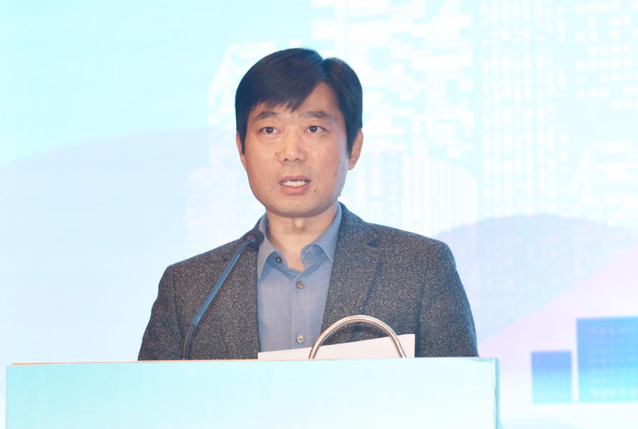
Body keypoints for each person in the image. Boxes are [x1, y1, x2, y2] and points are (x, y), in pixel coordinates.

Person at [139, 48, 477, 360]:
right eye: (269, 130)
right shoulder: (190, 291)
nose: (291, 152)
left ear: (353, 147)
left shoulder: (420, 270)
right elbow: (148, 402)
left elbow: (463, 398)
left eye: (313, 128)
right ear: (241, 149)